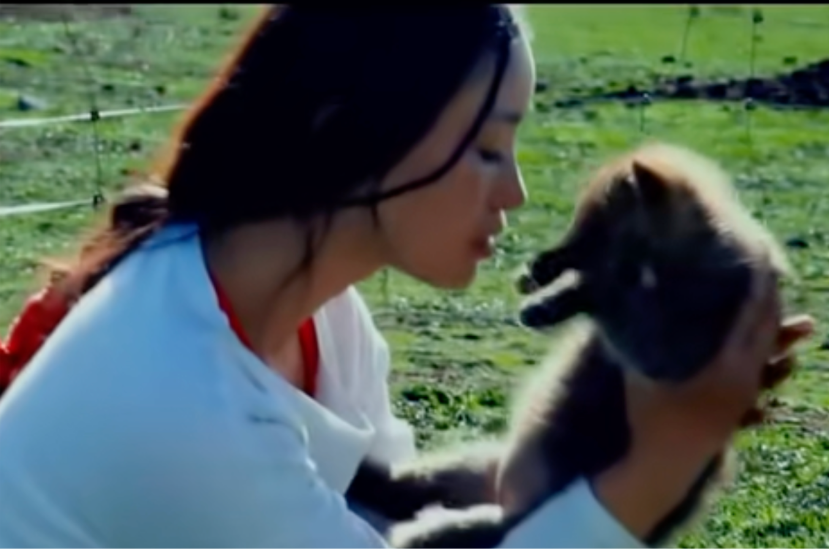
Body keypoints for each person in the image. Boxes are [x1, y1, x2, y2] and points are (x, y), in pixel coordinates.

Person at [0, 5, 813, 549]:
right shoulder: (179, 400)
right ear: (349, 132)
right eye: (487, 148)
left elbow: (394, 509)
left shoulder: (319, 314)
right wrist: (661, 461)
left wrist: (654, 408)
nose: (514, 190)